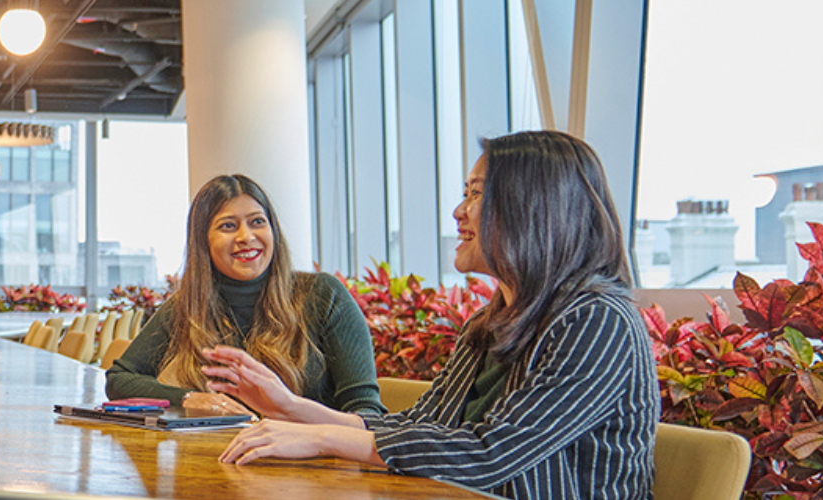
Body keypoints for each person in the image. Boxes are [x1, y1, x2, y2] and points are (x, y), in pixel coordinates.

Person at [216, 131, 657, 499]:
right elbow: (420, 426)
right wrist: (291, 408)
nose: (458, 211)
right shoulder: (490, 324)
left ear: (533, 207)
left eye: (476, 194)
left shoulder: (599, 321)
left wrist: (319, 437)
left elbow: (490, 454)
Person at [105, 174, 386, 420]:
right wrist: (190, 398)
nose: (246, 236)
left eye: (257, 222)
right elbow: (120, 380)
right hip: (222, 462)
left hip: (315, 466)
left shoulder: (323, 295)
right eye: (228, 226)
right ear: (203, 241)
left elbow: (365, 413)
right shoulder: (188, 305)